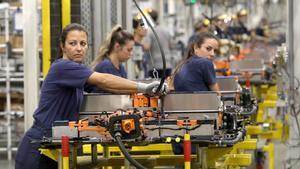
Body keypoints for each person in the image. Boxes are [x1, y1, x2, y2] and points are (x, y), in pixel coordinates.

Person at [15, 23, 167, 169]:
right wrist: (143, 87)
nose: (79, 48)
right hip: (39, 149)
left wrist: (145, 93)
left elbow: (105, 90)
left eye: (83, 43)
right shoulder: (62, 67)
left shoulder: (78, 71)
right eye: (72, 43)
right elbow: (104, 80)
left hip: (58, 145)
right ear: (62, 46)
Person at [89, 25, 134, 93]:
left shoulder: (121, 68)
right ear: (117, 47)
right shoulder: (105, 67)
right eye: (128, 50)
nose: (131, 53)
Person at [144, 8, 173, 78]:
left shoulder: (149, 31)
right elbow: (171, 45)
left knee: (156, 87)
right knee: (165, 86)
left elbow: (146, 47)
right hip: (167, 64)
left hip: (155, 66)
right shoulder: (166, 30)